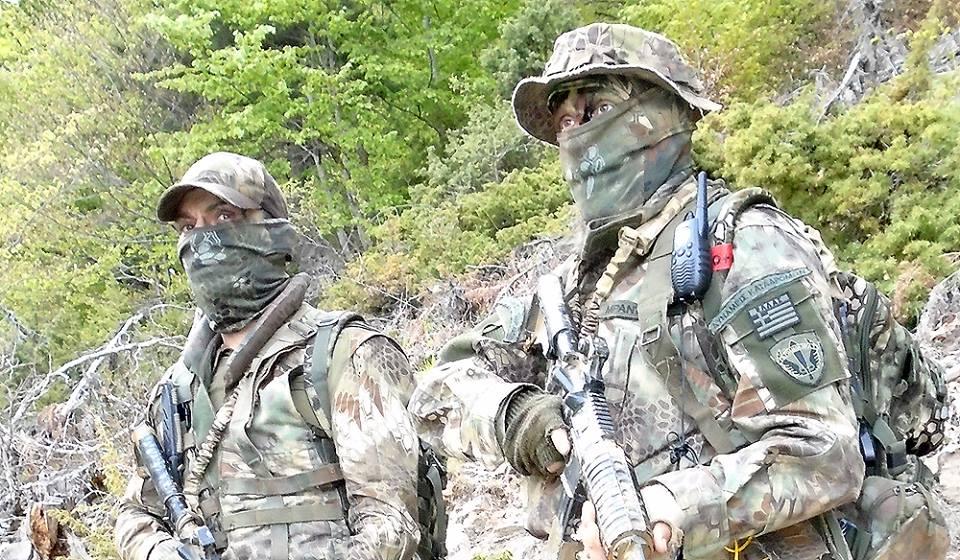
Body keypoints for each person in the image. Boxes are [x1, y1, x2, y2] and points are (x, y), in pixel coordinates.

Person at [409, 23, 949, 560]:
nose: (576, 135)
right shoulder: (572, 287)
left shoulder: (744, 245)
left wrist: (671, 509)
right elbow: (435, 394)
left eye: (597, 109)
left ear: (662, 114)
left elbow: (825, 453)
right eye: (565, 120)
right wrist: (514, 416)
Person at [114, 152, 423, 560]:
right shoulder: (179, 389)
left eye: (223, 217)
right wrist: (160, 552)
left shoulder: (343, 355)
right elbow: (136, 514)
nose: (202, 240)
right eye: (188, 227)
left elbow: (391, 525)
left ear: (272, 231)